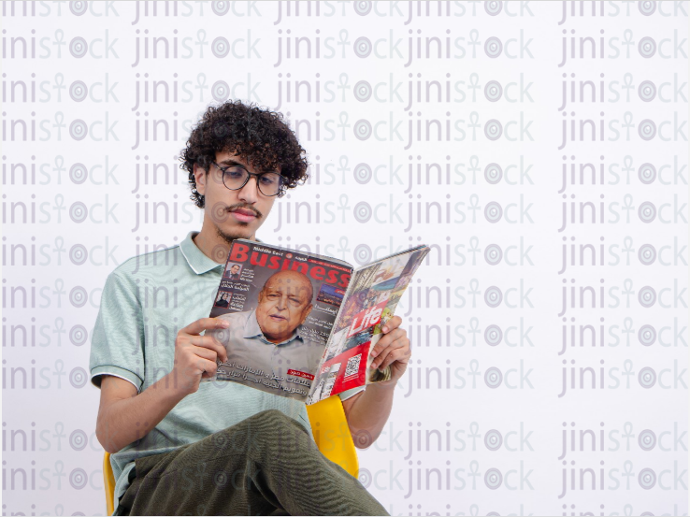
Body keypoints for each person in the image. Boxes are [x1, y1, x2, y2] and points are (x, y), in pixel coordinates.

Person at [89, 100, 412, 516]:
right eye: (234, 172)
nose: (249, 194)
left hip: (273, 496)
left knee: (279, 442)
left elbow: (360, 433)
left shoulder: (309, 288)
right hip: (168, 488)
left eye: (266, 180)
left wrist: (383, 379)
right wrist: (179, 380)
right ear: (200, 175)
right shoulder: (135, 281)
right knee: (273, 432)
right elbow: (111, 433)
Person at [213, 269, 323, 400]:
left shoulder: (319, 351)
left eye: (294, 300)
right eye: (273, 295)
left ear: (306, 311)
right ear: (260, 297)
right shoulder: (224, 327)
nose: (281, 306)